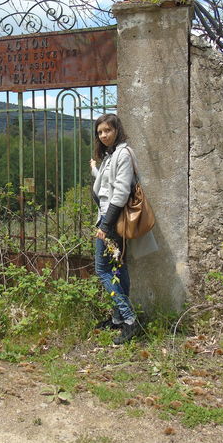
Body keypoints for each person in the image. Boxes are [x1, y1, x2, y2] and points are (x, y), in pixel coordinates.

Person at [90, 113, 142, 344]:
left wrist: (105, 223)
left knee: (103, 270)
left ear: (117, 130)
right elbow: (106, 184)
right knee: (119, 269)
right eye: (100, 132)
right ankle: (119, 319)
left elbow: (120, 192)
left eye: (107, 130)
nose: (103, 135)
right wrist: (95, 169)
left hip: (113, 221)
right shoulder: (111, 156)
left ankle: (130, 319)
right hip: (109, 219)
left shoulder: (123, 153)